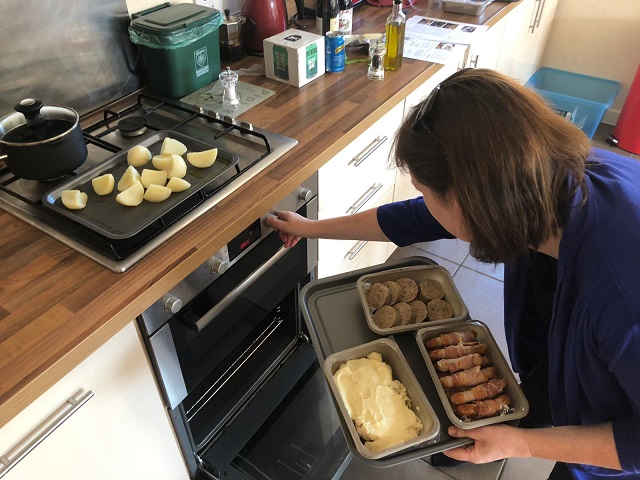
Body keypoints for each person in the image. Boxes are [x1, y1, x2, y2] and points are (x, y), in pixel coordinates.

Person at [265, 68, 640, 480]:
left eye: (427, 193)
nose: (424, 205)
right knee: (539, 393)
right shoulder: (539, 178)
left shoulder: (619, 290)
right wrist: (309, 228)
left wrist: (524, 446)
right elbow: (411, 220)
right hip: (573, 365)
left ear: (473, 200)